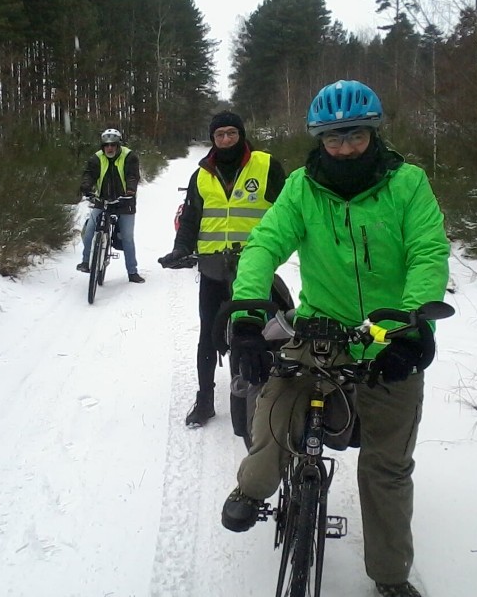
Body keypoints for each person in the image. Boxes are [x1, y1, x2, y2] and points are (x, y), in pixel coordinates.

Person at [220, 81, 450, 597]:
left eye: (354, 136)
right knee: (276, 409)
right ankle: (253, 489)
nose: (343, 147)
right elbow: (264, 244)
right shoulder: (302, 186)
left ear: (372, 132)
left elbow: (427, 254)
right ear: (319, 138)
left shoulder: (407, 184)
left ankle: (390, 577)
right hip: (321, 327)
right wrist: (251, 314)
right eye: (332, 138)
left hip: (386, 333)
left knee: (387, 466)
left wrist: (411, 329)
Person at [158, 111, 287, 427]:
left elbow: (289, 212)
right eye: (220, 135)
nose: (226, 139)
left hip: (256, 268)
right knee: (208, 334)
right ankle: (204, 400)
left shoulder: (267, 166)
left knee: (272, 332)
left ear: (241, 134)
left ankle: (277, 394)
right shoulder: (201, 175)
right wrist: (181, 249)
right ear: (212, 139)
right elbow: (190, 219)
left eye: (231, 133)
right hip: (214, 269)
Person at [77, 128, 144, 283]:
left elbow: (132, 175)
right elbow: (89, 174)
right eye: (106, 145)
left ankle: (132, 272)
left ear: (118, 144)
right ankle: (86, 262)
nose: (110, 148)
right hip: (102, 200)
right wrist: (86, 187)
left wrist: (130, 190)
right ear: (102, 146)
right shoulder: (96, 158)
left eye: (113, 145)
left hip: (125, 201)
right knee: (89, 231)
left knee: (127, 237)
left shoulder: (129, 156)